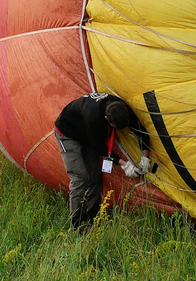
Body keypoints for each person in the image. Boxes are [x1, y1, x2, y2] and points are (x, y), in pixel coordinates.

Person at [54, 91, 149, 231]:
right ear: (106, 119)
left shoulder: (122, 109)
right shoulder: (93, 117)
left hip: (87, 135)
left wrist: (145, 157)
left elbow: (141, 131)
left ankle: (92, 219)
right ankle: (78, 226)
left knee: (94, 176)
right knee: (80, 177)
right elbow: (99, 147)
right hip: (68, 134)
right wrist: (124, 164)